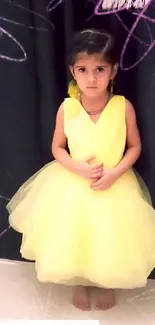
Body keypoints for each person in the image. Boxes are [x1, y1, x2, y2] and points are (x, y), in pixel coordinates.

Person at [7, 29, 155, 311]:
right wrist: (77, 167)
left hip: (115, 184)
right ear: (72, 70)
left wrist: (114, 173)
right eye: (83, 70)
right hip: (74, 184)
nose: (91, 78)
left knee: (110, 237)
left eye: (100, 69)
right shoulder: (68, 108)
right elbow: (57, 148)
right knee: (76, 237)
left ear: (113, 70)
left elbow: (134, 147)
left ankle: (106, 281)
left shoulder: (123, 107)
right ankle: (81, 280)